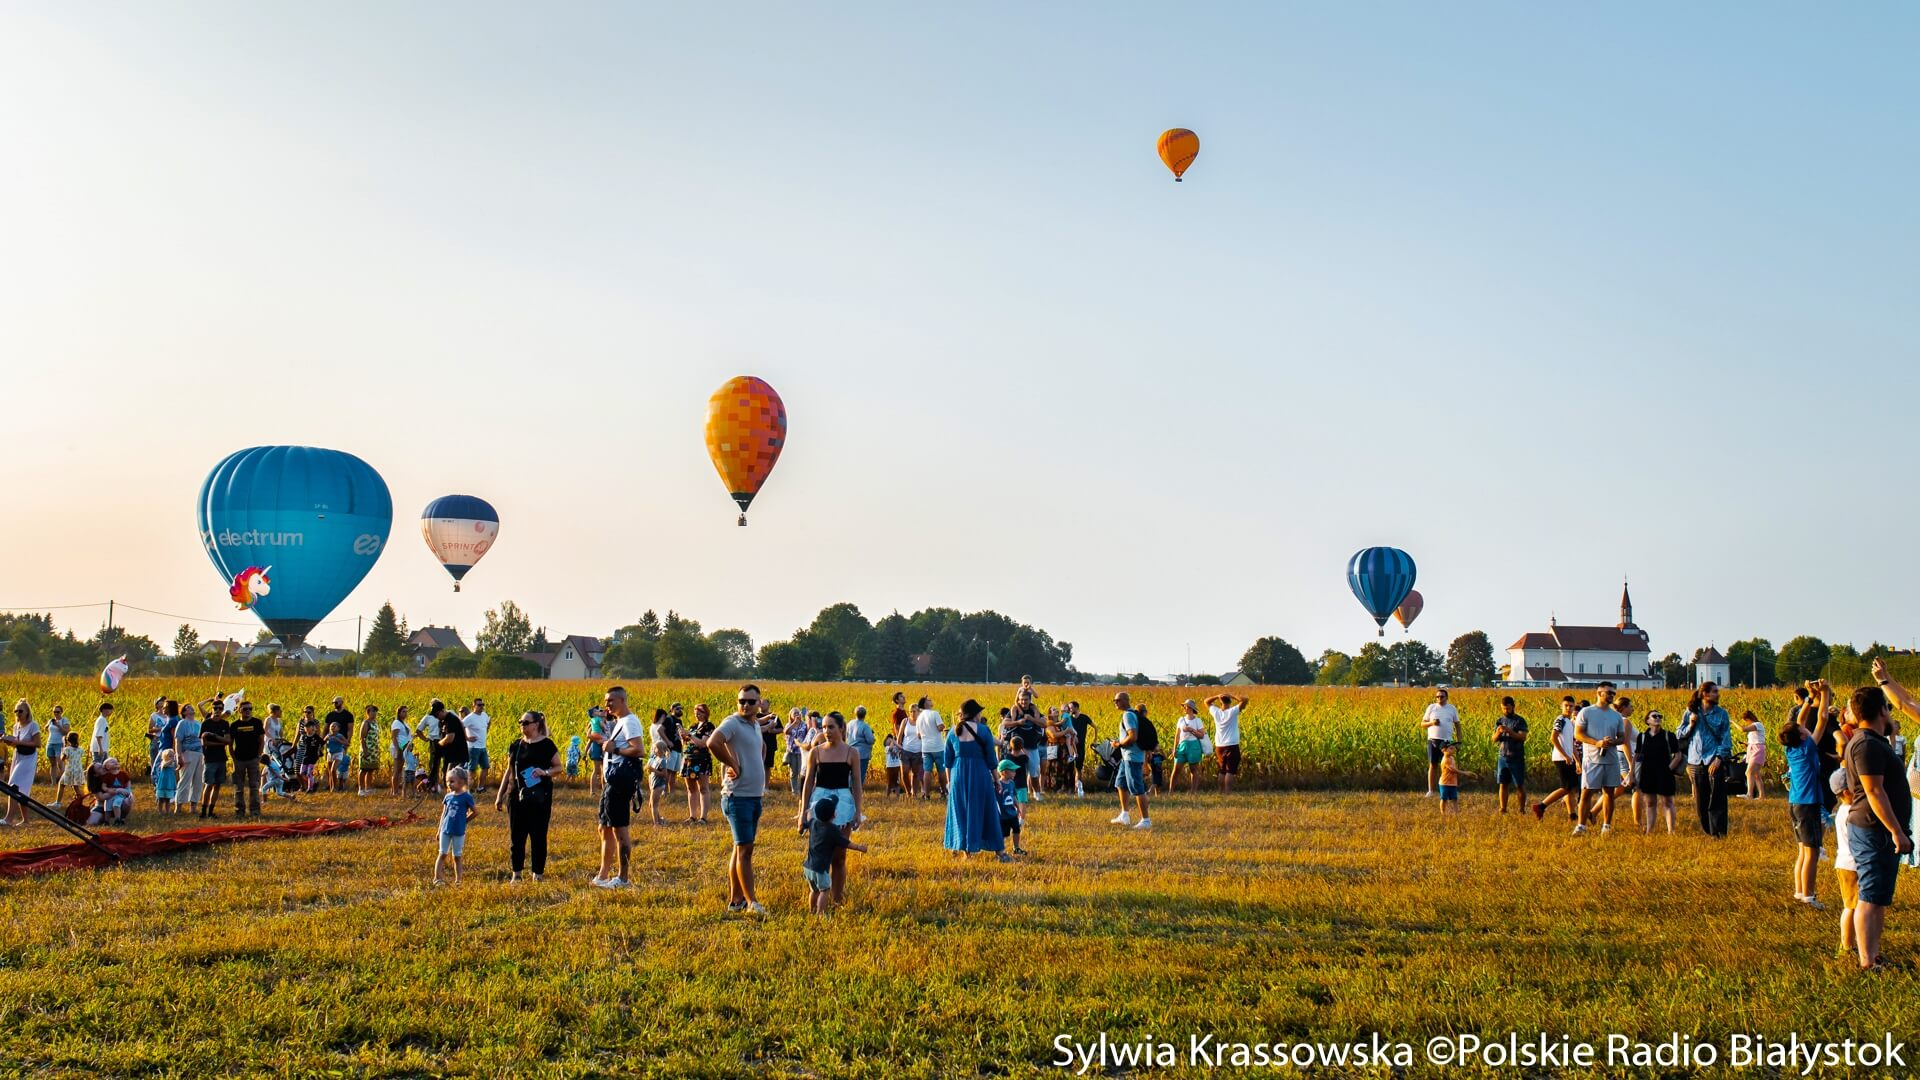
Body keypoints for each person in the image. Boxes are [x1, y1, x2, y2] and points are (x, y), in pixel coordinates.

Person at [1843, 661, 1916, 971]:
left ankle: (1872, 956)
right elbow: (1874, 791)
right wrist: (1897, 831)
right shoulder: (1866, 745)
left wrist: (1885, 680)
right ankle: (1867, 961)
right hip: (1875, 828)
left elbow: (1906, 702)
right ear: (1882, 711)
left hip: (1879, 829)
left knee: (1878, 895)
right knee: (1871, 895)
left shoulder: (1869, 742)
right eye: (1887, 709)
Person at [703, 684, 771, 914]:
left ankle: (736, 901)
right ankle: (752, 902)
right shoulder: (732, 722)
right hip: (737, 796)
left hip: (753, 796)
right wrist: (732, 763)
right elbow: (713, 742)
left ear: (758, 703)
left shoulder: (754, 724)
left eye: (751, 701)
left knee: (740, 848)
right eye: (742, 701)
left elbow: (760, 749)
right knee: (745, 850)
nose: (745, 705)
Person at [796, 712, 864, 904]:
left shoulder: (852, 753)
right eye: (824, 727)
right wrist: (802, 813)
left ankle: (837, 899)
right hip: (819, 802)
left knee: (840, 855)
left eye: (831, 727)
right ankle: (818, 895)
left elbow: (857, 784)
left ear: (841, 728)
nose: (826, 731)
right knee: (820, 852)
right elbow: (808, 783)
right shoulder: (816, 752)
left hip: (843, 803)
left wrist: (858, 811)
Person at [1780, 681, 1836, 909]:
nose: (1806, 728)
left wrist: (1808, 699)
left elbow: (1800, 721)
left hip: (1795, 803)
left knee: (1803, 850)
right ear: (1803, 737)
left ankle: (1799, 891)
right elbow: (1822, 718)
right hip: (1808, 804)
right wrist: (1824, 693)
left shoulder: (1791, 747)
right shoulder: (1807, 747)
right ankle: (1809, 896)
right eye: (1804, 730)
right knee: (1812, 853)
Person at [496, 711, 560, 883]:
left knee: (538, 836)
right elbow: (508, 771)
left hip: (540, 798)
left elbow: (558, 767)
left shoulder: (547, 745)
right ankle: (516, 874)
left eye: (525, 722)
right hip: (516, 796)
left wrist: (544, 772)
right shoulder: (516, 745)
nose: (522, 725)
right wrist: (500, 794)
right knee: (517, 837)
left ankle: (537, 874)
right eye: (520, 722)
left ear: (536, 725)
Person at [595, 687, 646, 889]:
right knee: (604, 826)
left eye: (611, 701)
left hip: (620, 781)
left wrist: (614, 749)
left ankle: (623, 878)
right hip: (612, 781)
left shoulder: (630, 721)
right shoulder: (620, 722)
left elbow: (639, 750)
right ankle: (603, 875)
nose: (607, 705)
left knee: (619, 829)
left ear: (623, 700)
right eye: (606, 701)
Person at [942, 699, 1007, 859]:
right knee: (988, 810)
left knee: (961, 812)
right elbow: (991, 760)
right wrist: (997, 780)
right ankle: (999, 852)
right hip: (979, 774)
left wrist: (950, 783)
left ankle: (966, 852)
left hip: (957, 775)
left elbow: (947, 761)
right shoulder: (983, 731)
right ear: (975, 714)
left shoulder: (952, 732)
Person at [1677, 682, 1733, 837]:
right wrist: (1691, 724)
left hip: (1714, 759)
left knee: (1718, 798)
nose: (1717, 694)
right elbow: (1679, 733)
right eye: (1714, 691)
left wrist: (1719, 758)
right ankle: (1708, 830)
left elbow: (1726, 738)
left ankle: (1719, 833)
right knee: (1701, 800)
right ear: (1704, 694)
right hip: (1695, 760)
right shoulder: (1690, 712)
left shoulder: (1721, 714)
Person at [1573, 682, 1629, 835]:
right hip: (1592, 759)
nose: (1612, 695)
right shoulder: (1586, 712)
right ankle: (1581, 826)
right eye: (1609, 692)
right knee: (1586, 793)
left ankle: (1606, 826)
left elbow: (1622, 737)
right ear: (1599, 693)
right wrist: (1597, 743)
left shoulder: (1616, 716)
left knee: (1609, 793)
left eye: (1613, 693)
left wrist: (1612, 742)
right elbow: (1578, 734)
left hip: (1611, 759)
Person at [803, 798, 867, 916]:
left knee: (814, 890)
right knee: (825, 890)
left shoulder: (813, 823)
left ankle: (812, 911)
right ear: (834, 814)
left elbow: (808, 819)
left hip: (808, 867)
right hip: (821, 869)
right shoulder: (832, 830)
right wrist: (859, 848)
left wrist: (809, 812)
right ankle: (821, 914)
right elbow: (846, 843)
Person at [1632, 710, 1681, 833]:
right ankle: (1649, 831)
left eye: (1660, 716)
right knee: (1650, 802)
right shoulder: (1642, 737)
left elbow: (1678, 755)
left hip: (1665, 773)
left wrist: (1669, 769)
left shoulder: (1669, 736)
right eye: (1654, 716)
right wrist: (1632, 773)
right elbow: (1638, 756)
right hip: (1647, 773)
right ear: (1647, 720)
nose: (1658, 718)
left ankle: (1671, 831)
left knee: (1667, 802)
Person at [1110, 692, 1152, 830]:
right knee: (1120, 783)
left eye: (1117, 700)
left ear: (1125, 700)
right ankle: (1124, 815)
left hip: (1132, 757)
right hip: (1126, 757)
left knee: (1137, 788)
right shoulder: (1133, 714)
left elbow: (1133, 736)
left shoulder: (1128, 715)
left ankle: (1146, 820)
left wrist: (1119, 744)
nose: (1115, 702)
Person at [1832, 768, 1860, 960]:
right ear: (1847, 792)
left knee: (1854, 906)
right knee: (1852, 906)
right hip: (1851, 865)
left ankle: (1851, 943)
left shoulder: (1843, 810)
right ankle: (1847, 946)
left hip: (1846, 863)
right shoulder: (1850, 812)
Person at [3, 700, 42, 826]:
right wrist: (9, 741)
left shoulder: (33, 725)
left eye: (20, 711)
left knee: (14, 784)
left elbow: (38, 744)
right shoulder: (16, 726)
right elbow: (17, 743)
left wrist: (18, 742)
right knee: (21, 789)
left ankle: (8, 819)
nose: (18, 713)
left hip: (29, 758)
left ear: (27, 712)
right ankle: (26, 820)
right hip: (18, 756)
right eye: (16, 711)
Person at [435, 767, 476, 885]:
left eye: (452, 781)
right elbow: (444, 814)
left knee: (457, 856)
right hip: (445, 830)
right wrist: (439, 830)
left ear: (462, 781)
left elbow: (475, 812)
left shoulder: (466, 797)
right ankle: (437, 878)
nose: (449, 784)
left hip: (459, 832)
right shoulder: (448, 797)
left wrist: (465, 821)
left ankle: (458, 880)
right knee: (442, 853)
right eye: (447, 781)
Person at [1488, 696, 1529, 814]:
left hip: (1516, 756)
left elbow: (1522, 737)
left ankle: (1521, 809)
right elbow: (1493, 739)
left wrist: (1509, 731)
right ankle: (1503, 808)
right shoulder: (1499, 721)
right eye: (1503, 708)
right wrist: (1498, 732)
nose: (1506, 711)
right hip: (1503, 756)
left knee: (1519, 784)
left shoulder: (1520, 721)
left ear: (1513, 707)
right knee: (1503, 783)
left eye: (1508, 708)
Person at [1419, 688, 1460, 798]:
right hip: (1432, 740)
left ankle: (1448, 789)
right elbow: (1422, 724)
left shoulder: (1452, 709)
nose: (1439, 698)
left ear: (1446, 697)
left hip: (1446, 742)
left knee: (1448, 766)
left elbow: (1457, 725)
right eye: (1437, 697)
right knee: (1433, 765)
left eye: (1442, 696)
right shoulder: (1431, 708)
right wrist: (1432, 723)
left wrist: (1459, 741)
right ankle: (1431, 790)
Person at [228, 700, 266, 818]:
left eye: (250, 708)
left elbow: (262, 741)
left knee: (254, 786)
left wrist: (258, 756)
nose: (248, 711)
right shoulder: (234, 725)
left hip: (253, 759)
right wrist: (233, 758)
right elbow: (230, 743)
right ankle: (239, 810)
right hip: (239, 759)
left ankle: (255, 811)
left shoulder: (257, 723)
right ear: (239, 710)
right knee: (238, 787)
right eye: (245, 709)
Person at [679, 702, 715, 824]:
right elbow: (686, 743)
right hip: (689, 759)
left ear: (705, 713)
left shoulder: (708, 726)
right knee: (691, 788)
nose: (697, 714)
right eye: (695, 712)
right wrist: (683, 737)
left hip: (702, 759)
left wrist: (689, 735)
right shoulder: (693, 726)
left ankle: (703, 817)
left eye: (699, 712)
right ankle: (692, 816)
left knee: (703, 788)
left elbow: (703, 743)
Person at [198, 698, 233, 819]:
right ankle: (203, 811)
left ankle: (211, 810)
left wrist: (213, 736)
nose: (218, 710)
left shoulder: (225, 724)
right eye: (215, 708)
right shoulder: (206, 723)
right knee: (208, 784)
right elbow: (204, 743)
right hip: (210, 758)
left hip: (221, 758)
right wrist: (220, 742)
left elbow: (228, 741)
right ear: (211, 709)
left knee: (217, 785)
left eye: (220, 708)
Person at [1204, 694, 1244, 793]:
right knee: (1230, 770)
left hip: (1219, 745)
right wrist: (1232, 695)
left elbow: (1206, 701)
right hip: (1231, 744)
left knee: (1222, 770)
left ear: (1220, 702)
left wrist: (1217, 696)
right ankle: (1227, 792)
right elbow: (1244, 700)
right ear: (1230, 702)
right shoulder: (1232, 711)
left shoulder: (1216, 712)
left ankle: (1220, 791)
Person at [1170, 700, 1208, 795]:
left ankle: (1193, 792)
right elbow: (1177, 736)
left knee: (1193, 769)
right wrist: (1174, 749)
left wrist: (1191, 730)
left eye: (1185, 706)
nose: (1184, 708)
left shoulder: (1197, 721)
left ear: (1191, 708)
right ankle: (1171, 791)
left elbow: (1202, 735)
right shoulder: (1181, 720)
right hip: (1182, 746)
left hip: (1194, 746)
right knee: (1176, 769)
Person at [174, 703, 205, 811]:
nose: (191, 707)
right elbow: (178, 740)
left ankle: (193, 806)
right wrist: (178, 756)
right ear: (183, 712)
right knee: (185, 780)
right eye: (188, 707)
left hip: (200, 753)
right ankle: (179, 806)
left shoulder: (198, 723)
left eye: (191, 706)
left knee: (198, 781)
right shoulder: (182, 723)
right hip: (188, 753)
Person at [915, 698, 947, 796]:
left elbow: (918, 736)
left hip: (926, 748)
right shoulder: (935, 713)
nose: (931, 701)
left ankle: (927, 794)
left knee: (927, 771)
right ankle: (943, 792)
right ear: (925, 704)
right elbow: (940, 727)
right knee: (941, 770)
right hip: (938, 747)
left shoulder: (919, 718)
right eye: (929, 700)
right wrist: (943, 727)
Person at [995, 759, 1026, 855]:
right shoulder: (998, 784)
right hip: (1003, 815)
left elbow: (1013, 797)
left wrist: (1018, 808)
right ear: (1004, 772)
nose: (1015, 773)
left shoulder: (1012, 783)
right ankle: (1001, 850)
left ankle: (1016, 848)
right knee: (1003, 834)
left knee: (1017, 830)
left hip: (1012, 813)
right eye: (1012, 771)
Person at [1737, 709, 1768, 799]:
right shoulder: (1755, 726)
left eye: (1745, 721)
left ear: (1748, 719)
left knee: (1749, 772)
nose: (1746, 723)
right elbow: (1756, 739)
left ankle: (1749, 795)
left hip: (1757, 750)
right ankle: (1762, 796)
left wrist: (1732, 722)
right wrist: (1747, 745)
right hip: (1753, 749)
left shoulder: (1757, 724)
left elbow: (1743, 729)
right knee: (1756, 774)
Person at [1436, 744, 1475, 815]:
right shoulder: (1445, 760)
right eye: (1451, 748)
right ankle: (1443, 813)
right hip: (1445, 783)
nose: (1453, 750)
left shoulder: (1452, 758)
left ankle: (1456, 813)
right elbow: (1453, 770)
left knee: (1454, 798)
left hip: (1453, 783)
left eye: (1453, 748)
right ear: (1443, 750)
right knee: (1444, 799)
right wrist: (1465, 773)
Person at [898, 703, 924, 800]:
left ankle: (914, 793)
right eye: (911, 712)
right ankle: (908, 792)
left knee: (915, 773)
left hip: (918, 751)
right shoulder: (905, 721)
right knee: (904, 772)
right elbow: (900, 735)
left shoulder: (921, 722)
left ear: (919, 712)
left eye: (914, 711)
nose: (913, 713)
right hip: (906, 750)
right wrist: (899, 747)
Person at [465, 698, 492, 788]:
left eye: (482, 705)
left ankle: (480, 788)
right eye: (479, 705)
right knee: (472, 769)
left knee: (485, 767)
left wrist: (487, 729)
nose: (481, 707)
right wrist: (467, 738)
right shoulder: (470, 717)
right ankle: (468, 789)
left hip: (483, 747)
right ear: (474, 706)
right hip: (473, 748)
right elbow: (460, 726)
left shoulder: (484, 715)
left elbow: (488, 722)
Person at [847, 705, 876, 788]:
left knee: (850, 773)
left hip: (850, 752)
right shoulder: (865, 726)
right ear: (864, 715)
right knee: (860, 773)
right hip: (862, 754)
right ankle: (857, 791)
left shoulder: (849, 724)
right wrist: (873, 738)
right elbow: (870, 740)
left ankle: (849, 789)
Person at [43, 704, 70, 787]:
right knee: (52, 764)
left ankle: (65, 782)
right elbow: (46, 729)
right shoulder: (51, 721)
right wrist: (47, 726)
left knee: (60, 763)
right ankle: (53, 783)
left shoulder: (64, 720)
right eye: (54, 712)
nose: (56, 713)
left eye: (58, 712)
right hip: (50, 743)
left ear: (61, 712)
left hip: (59, 743)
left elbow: (66, 732)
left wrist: (58, 725)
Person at [55, 731, 84, 805]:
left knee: (61, 784)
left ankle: (58, 803)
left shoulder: (67, 749)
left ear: (68, 740)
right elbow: (80, 756)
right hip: (78, 770)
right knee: (75, 786)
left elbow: (62, 759)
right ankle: (80, 801)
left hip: (70, 770)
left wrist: (63, 748)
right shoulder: (80, 749)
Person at [296, 718, 325, 793]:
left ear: (313, 728)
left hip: (313, 757)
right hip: (305, 756)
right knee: (301, 773)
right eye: (306, 728)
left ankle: (310, 788)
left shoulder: (316, 737)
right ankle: (313, 782)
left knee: (309, 773)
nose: (307, 729)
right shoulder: (304, 737)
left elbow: (322, 743)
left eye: (309, 727)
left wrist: (319, 750)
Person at [584, 705, 607, 797]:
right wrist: (585, 752)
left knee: (604, 770)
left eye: (601, 711)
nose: (601, 712)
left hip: (604, 747)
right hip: (596, 747)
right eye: (599, 711)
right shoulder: (596, 722)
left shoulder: (608, 723)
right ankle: (593, 791)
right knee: (596, 769)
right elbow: (589, 736)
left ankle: (604, 791)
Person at [390, 705, 413, 796]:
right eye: (403, 711)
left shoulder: (404, 723)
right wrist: (397, 749)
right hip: (398, 747)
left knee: (399, 770)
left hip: (404, 747)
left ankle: (395, 790)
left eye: (406, 712)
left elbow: (406, 737)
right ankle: (394, 792)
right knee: (396, 770)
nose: (405, 713)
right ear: (399, 713)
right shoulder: (396, 723)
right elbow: (394, 737)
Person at [152, 748, 179, 814]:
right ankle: (160, 811)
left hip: (169, 784)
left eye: (172, 756)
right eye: (170, 756)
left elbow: (176, 768)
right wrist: (172, 760)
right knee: (160, 799)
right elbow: (165, 765)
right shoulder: (163, 763)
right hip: (163, 784)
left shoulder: (173, 764)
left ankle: (167, 811)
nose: (172, 757)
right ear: (165, 757)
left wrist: (177, 761)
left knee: (168, 799)